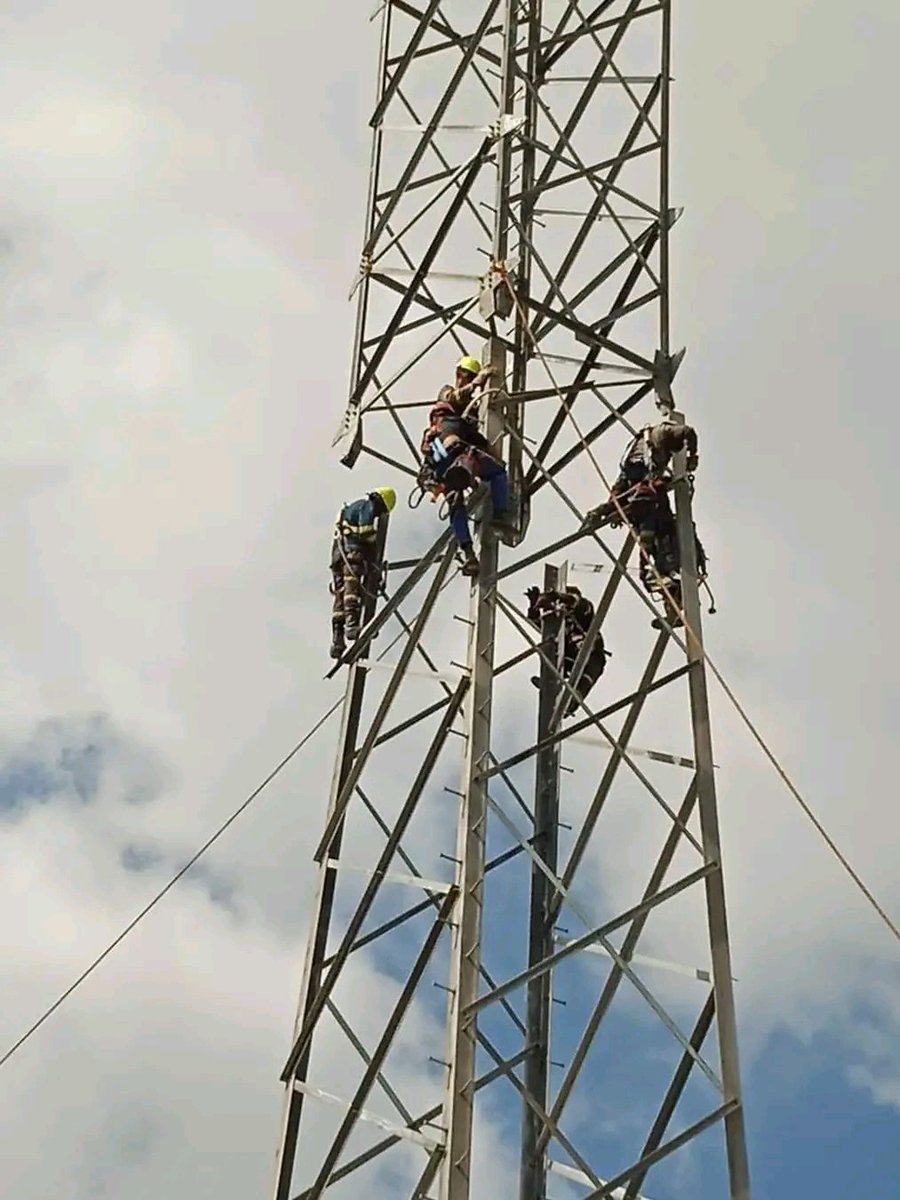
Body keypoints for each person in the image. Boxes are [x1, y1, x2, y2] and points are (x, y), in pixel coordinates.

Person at [420, 355, 513, 576]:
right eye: (463, 376)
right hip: (451, 454)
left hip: (450, 458)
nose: (464, 380)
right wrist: (478, 381)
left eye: (468, 377)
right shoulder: (446, 397)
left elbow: (480, 441)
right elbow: (456, 397)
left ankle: (469, 555)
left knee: (459, 499)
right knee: (495, 472)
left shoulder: (466, 418)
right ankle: (499, 514)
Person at [582, 416, 698, 529]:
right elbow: (688, 431)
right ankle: (653, 537)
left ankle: (599, 512)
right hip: (642, 468)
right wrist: (692, 455)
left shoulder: (641, 439)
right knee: (652, 502)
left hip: (629, 471)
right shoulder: (665, 430)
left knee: (622, 502)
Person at [330, 486, 396, 659]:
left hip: (338, 556)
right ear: (380, 501)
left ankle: (337, 640)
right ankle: (352, 625)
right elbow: (365, 530)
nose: (378, 514)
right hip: (352, 553)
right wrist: (375, 550)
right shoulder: (367, 506)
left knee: (340, 594)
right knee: (352, 588)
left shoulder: (351, 509)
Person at [525, 585, 609, 716]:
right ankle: (549, 682)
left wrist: (557, 596)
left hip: (592, 655)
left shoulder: (584, 612)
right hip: (570, 658)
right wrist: (534, 606)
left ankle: (572, 702)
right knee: (551, 649)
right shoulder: (560, 623)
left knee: (586, 678)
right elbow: (540, 625)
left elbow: (576, 601)